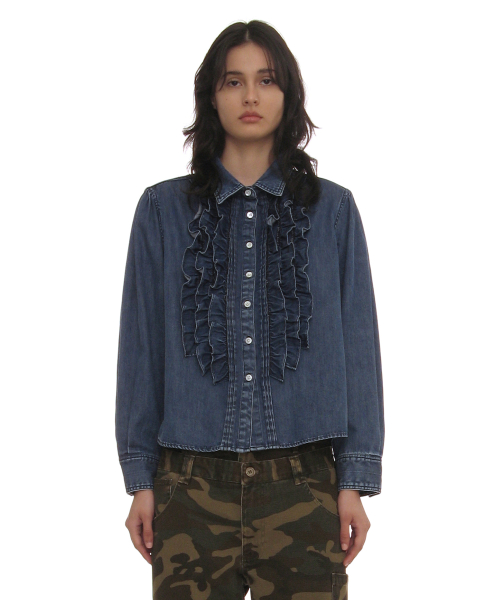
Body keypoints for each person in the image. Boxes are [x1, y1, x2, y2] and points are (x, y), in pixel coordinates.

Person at [115, 19, 385, 600]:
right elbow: (141, 348)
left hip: (304, 486)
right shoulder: (161, 210)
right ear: (211, 97)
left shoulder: (334, 211)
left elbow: (359, 346)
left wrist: (354, 480)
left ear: (288, 94)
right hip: (188, 488)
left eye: (266, 80)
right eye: (233, 82)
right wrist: (141, 479)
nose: (251, 96)